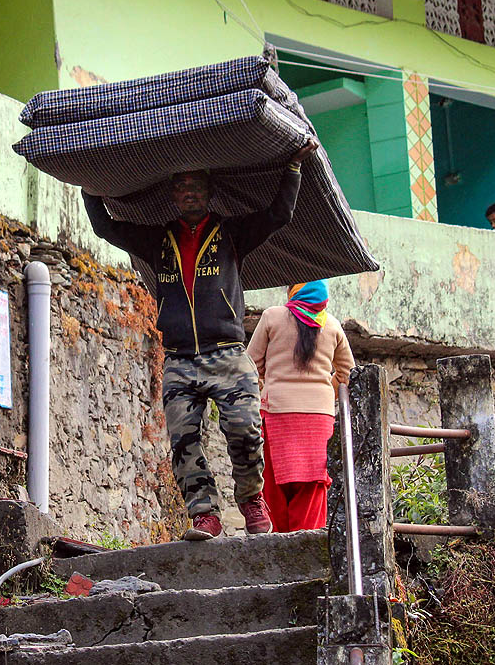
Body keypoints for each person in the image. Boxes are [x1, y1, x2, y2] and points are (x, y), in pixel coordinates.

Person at [82, 139, 319, 541]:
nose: (189, 192)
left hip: (228, 354)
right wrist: (89, 185)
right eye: (182, 186)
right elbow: (106, 227)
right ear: (173, 195)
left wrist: (293, 167)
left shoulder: (231, 233)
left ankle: (250, 500)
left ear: (209, 193)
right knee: (183, 442)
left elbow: (279, 213)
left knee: (245, 431)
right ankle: (204, 515)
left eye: (197, 185)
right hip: (178, 359)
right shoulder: (157, 240)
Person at [246, 280, 354, 532]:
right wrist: (326, 387)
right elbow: (348, 375)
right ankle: (307, 555)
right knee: (312, 489)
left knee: (272, 486)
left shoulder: (272, 317)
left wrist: (266, 386)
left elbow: (250, 366)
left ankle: (275, 553)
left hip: (275, 413)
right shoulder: (334, 326)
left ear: (293, 292)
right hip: (319, 419)